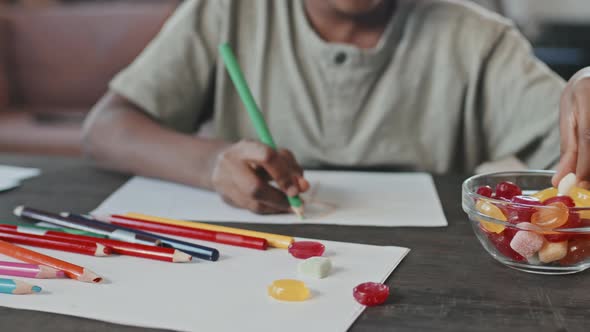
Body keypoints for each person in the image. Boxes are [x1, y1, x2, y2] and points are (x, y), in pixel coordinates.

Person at [83, 0, 567, 215]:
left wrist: (585, 83)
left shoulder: (478, 36)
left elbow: (568, 130)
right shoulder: (227, 10)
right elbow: (105, 128)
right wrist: (211, 163)